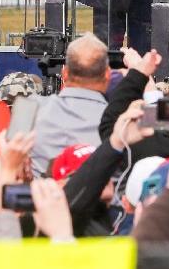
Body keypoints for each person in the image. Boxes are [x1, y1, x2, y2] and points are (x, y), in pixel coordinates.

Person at [30, 33, 111, 177]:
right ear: (107, 75)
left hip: (40, 196)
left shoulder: (29, 109)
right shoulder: (121, 124)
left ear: (65, 73)